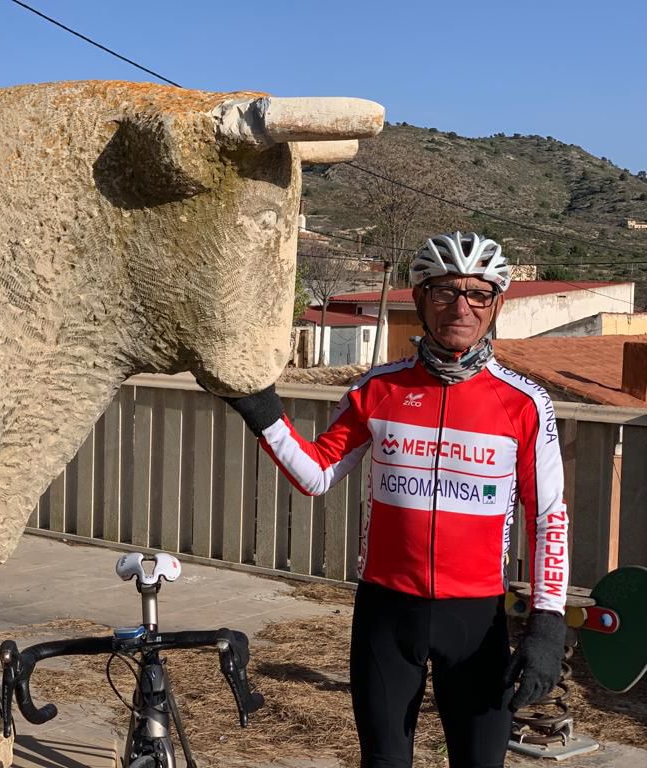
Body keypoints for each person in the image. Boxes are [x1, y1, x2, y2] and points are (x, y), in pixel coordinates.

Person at [218, 232, 569, 768]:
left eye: (478, 293)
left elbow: (548, 517)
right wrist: (258, 406)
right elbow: (317, 474)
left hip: (475, 619)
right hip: (385, 612)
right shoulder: (377, 389)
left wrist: (548, 622)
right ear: (421, 299)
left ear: (496, 305)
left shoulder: (524, 403)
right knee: (383, 761)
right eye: (445, 291)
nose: (461, 307)